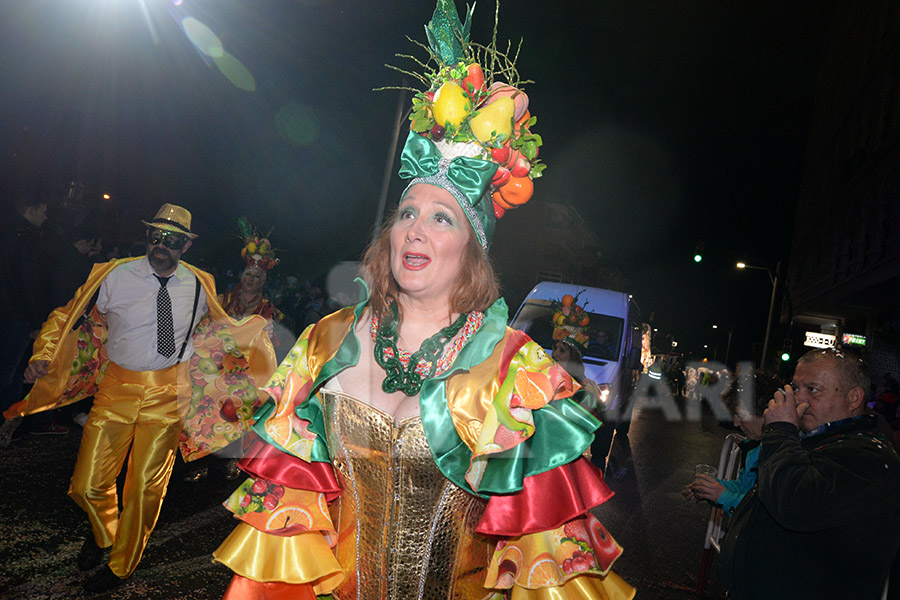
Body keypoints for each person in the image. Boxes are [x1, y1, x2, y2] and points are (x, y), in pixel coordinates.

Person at [213, 4, 635, 598]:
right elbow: (285, 533)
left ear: (473, 250)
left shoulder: (513, 372)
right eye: (407, 213)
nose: (415, 229)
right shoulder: (326, 344)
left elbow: (546, 564)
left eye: (442, 218)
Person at [5, 204, 276, 593]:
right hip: (117, 388)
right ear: (148, 235)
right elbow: (67, 317)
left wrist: (255, 355)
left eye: (172, 239)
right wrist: (44, 355)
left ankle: (120, 564)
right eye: (156, 235)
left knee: (147, 486)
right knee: (86, 484)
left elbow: (217, 331)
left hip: (169, 395)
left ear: (185, 245)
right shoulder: (114, 274)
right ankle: (104, 533)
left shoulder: (201, 283)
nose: (161, 244)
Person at [718, 348, 900, 599]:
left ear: (854, 398)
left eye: (812, 389)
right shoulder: (817, 440)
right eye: (795, 388)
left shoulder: (870, 459)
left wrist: (781, 430)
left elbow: (795, 503)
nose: (798, 400)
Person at [184, 221, 286, 482]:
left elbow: (272, 346)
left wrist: (270, 334)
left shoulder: (267, 308)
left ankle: (232, 461)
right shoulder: (225, 299)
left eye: (257, 277)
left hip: (246, 373)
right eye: (248, 275)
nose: (251, 280)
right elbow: (207, 322)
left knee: (236, 415)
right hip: (217, 366)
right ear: (241, 276)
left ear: (263, 281)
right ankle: (200, 459)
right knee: (207, 412)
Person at [0, 188, 56, 446]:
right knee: (10, 372)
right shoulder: (27, 239)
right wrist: (37, 322)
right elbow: (30, 283)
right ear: (30, 210)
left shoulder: (8, 232)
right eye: (43, 210)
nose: (46, 216)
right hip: (17, 316)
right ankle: (8, 422)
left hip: (8, 311)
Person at [682, 370, 782, 514]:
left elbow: (764, 515)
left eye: (740, 416)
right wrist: (710, 489)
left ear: (766, 414)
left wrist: (722, 496)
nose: (736, 423)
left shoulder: (783, 455)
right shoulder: (756, 447)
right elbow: (745, 488)